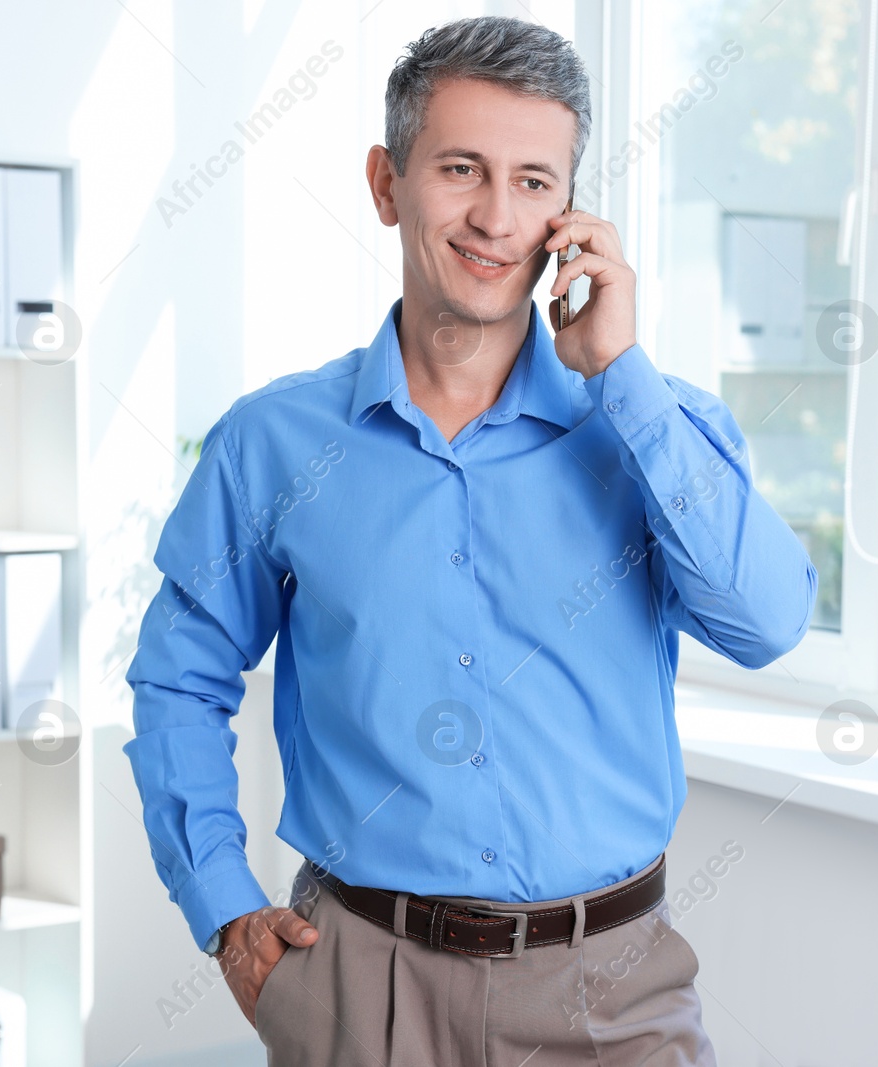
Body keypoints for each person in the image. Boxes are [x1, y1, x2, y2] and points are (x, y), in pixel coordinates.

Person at [124, 14, 816, 1065]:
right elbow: (178, 678)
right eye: (461, 168)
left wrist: (619, 379)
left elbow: (765, 623)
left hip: (611, 993)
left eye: (534, 181)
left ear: (569, 211)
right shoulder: (273, 444)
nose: (497, 215)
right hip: (362, 987)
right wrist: (224, 906)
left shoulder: (654, 424)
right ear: (386, 182)